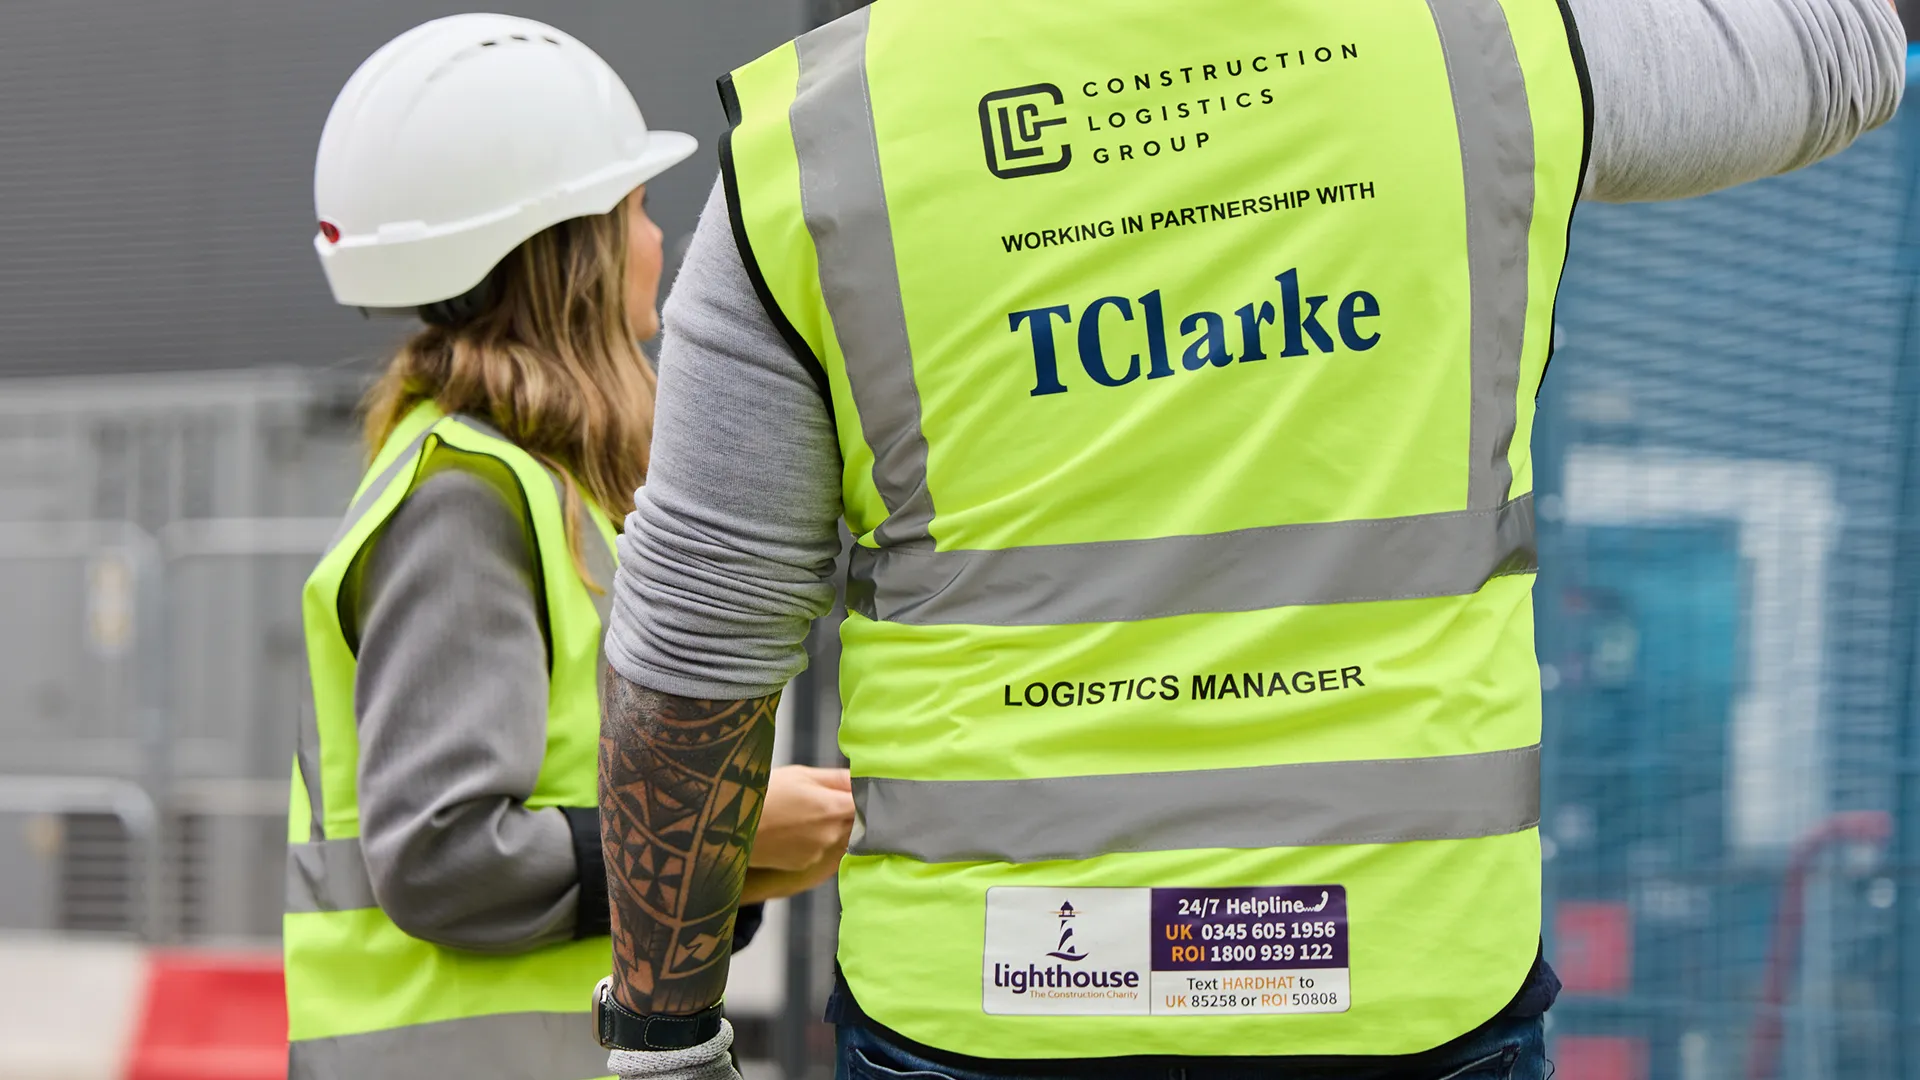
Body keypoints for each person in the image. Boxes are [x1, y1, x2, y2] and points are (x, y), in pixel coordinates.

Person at [592, 0, 1906, 1078]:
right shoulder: (1488, 56)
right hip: (1404, 992)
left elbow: (697, 658)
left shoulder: (824, 139)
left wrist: (663, 1043)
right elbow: (1849, 45)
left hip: (992, 999)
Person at [283, 15, 855, 1080]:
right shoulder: (463, 501)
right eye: (636, 210)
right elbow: (444, 858)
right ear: (570, 250)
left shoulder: (534, 485)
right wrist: (718, 832)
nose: (659, 242)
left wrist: (733, 853)